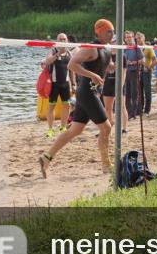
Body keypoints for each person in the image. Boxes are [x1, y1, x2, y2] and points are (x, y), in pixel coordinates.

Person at [39, 19, 115, 176]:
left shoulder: (106, 49)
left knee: (75, 130)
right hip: (86, 92)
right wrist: (92, 75)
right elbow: (71, 65)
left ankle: (47, 157)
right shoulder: (90, 48)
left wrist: (112, 67)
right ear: (99, 31)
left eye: (113, 31)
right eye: (109, 31)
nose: (112, 34)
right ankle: (106, 165)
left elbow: (106, 65)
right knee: (106, 127)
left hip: (92, 92)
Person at [43, 33, 73, 136]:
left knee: (67, 105)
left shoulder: (69, 53)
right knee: (51, 106)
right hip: (54, 84)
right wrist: (58, 54)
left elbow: (72, 70)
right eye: (60, 39)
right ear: (57, 40)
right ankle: (50, 130)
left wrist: (74, 84)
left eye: (64, 39)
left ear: (67, 41)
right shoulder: (53, 50)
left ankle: (63, 127)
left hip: (65, 84)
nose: (63, 41)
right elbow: (47, 62)